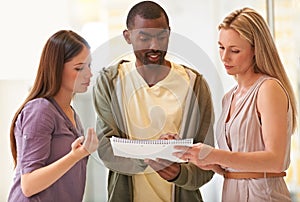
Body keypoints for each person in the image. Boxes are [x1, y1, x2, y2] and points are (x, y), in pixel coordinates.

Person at [92, 1, 215, 202]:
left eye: (161, 37)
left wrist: (179, 174)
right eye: (144, 38)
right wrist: (157, 151)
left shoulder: (194, 84)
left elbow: (207, 163)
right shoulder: (110, 82)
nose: (154, 46)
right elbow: (107, 150)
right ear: (128, 37)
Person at [173, 7, 297, 202]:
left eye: (235, 50)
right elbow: (233, 165)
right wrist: (203, 157)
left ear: (256, 50)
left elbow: (276, 161)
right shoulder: (229, 97)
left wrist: (215, 154)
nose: (224, 57)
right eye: (221, 47)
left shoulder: (268, 89)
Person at [8, 30, 99, 202]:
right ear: (56, 69)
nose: (89, 74)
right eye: (80, 68)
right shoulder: (40, 110)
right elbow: (28, 185)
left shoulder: (71, 113)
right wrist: (76, 156)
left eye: (89, 66)